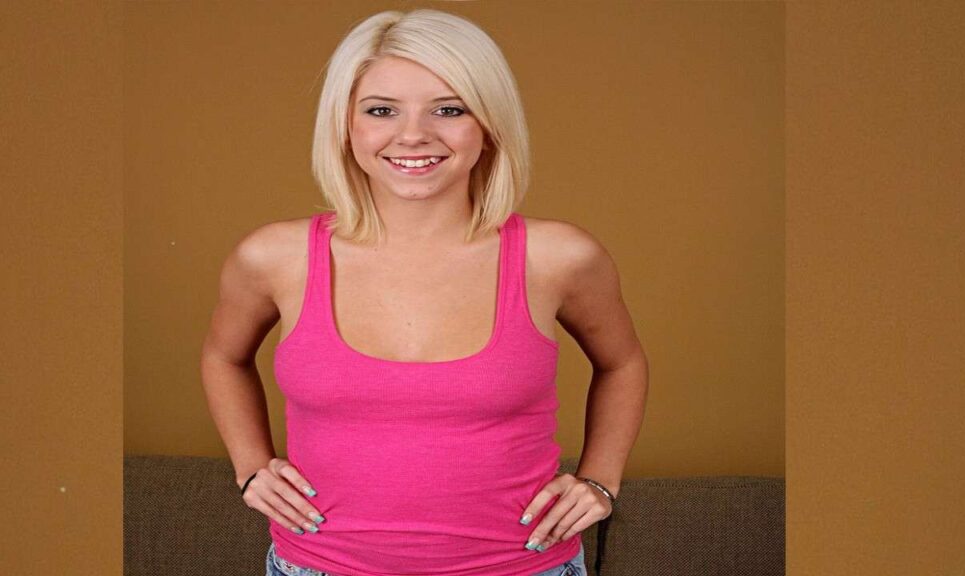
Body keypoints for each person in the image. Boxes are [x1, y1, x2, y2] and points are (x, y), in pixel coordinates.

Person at [199, 8, 648, 576]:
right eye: (381, 110)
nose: (413, 134)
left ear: (488, 126)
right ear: (346, 125)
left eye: (449, 109)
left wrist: (600, 482)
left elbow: (623, 363)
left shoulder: (558, 258)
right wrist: (250, 466)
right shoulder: (273, 258)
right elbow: (223, 356)